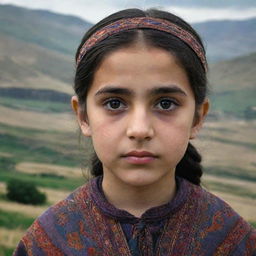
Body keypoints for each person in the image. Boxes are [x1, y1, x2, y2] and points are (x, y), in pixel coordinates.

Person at [13, 8, 256, 256]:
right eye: (115, 103)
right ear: (83, 116)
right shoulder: (47, 243)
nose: (140, 130)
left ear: (198, 117)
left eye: (165, 103)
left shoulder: (234, 241)